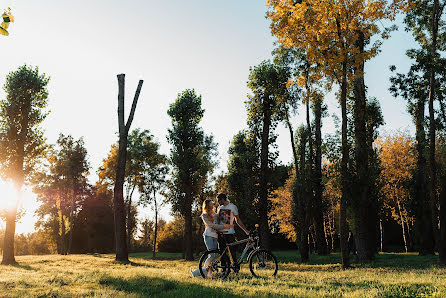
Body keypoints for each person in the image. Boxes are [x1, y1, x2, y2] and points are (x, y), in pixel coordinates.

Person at [190, 199, 233, 277]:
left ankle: (206, 272)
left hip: (215, 237)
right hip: (208, 236)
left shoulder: (215, 214)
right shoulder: (204, 215)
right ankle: (202, 271)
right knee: (211, 255)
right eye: (210, 204)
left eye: (212, 203)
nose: (212, 205)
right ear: (206, 205)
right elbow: (212, 225)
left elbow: (222, 219)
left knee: (213, 256)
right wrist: (224, 226)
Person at [216, 193, 249, 267]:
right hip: (221, 233)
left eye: (219, 200)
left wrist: (245, 230)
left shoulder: (233, 207)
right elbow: (218, 221)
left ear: (223, 199)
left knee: (232, 252)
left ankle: (235, 268)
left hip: (230, 233)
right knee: (222, 253)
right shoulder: (219, 208)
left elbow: (238, 220)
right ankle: (224, 269)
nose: (218, 202)